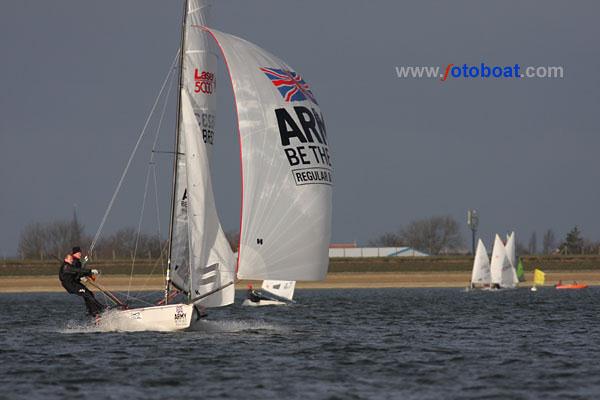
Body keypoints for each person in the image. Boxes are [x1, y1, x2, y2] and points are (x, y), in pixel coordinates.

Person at [58, 248, 103, 317]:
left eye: (80, 253)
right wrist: (90, 271)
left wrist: (83, 276)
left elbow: (77, 272)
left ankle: (94, 312)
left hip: (74, 283)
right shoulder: (66, 266)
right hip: (71, 285)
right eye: (70, 259)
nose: (72, 260)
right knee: (87, 294)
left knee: (89, 294)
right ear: (66, 259)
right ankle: (101, 308)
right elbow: (77, 270)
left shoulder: (70, 264)